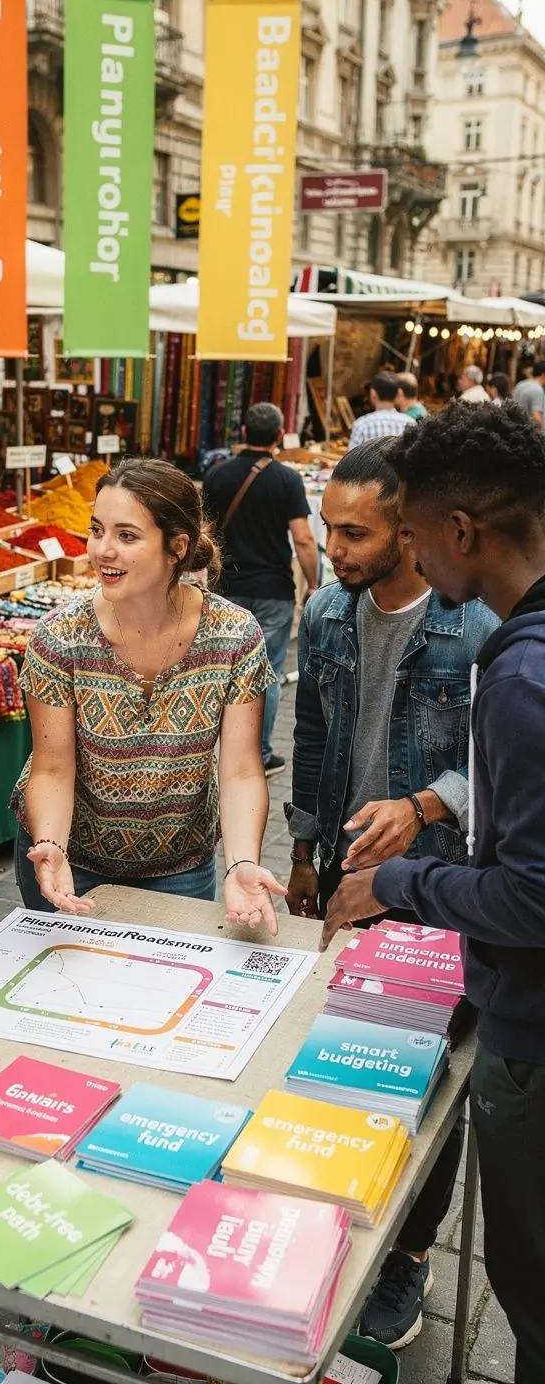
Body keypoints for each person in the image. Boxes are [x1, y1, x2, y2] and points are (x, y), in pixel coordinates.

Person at [320, 402, 545, 1383]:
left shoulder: (520, 671)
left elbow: (534, 897)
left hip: (530, 1025)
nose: (405, 552)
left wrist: (398, 881)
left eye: (409, 532)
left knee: (531, 1285)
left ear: (459, 531)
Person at [285, 439, 496, 1351]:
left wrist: (423, 806)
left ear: (408, 531)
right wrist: (304, 852)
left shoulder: (477, 626)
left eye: (355, 533)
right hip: (345, 871)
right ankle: (338, 1208)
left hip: (440, 885)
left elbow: (502, 768)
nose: (334, 548)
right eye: (328, 528)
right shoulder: (327, 613)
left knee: (426, 1082)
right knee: (340, 1059)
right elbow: (311, 730)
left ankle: (410, 1252)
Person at [13, 458, 286, 929]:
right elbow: (53, 767)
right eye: (97, 530)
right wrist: (51, 845)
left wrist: (242, 862)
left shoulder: (233, 634)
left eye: (127, 535)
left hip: (178, 866)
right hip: (71, 859)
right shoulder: (60, 635)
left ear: (176, 547)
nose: (103, 550)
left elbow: (241, 769)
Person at [202, 402, 319, 776]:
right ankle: (260, 754)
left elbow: (204, 532)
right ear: (280, 435)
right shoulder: (287, 480)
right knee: (265, 674)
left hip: (225, 587)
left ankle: (212, 752)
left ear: (243, 432)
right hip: (272, 589)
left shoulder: (217, 475)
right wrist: (313, 583)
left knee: (219, 670)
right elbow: (303, 539)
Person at [347, 374, 407, 449]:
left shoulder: (361, 425)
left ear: (373, 394)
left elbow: (351, 455)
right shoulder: (410, 423)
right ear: (398, 394)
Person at [511, 357, 545, 425]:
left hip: (514, 427)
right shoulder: (537, 390)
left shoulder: (520, 384)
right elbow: (537, 418)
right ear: (543, 375)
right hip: (527, 430)